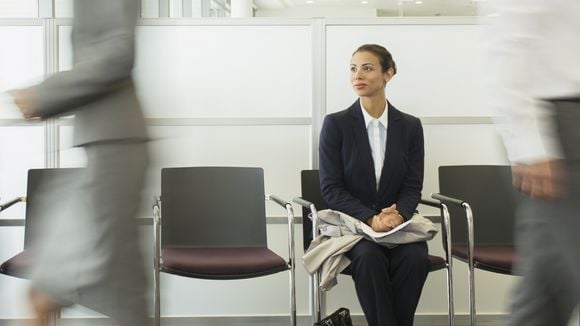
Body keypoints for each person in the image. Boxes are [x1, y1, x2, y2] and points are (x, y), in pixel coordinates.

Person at [7, 0, 149, 325]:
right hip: (107, 141)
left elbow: (118, 53)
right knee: (124, 288)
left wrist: (45, 95)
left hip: (116, 141)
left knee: (47, 290)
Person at [319, 44, 429, 326]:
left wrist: (398, 215)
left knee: (415, 258)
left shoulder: (410, 127)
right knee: (369, 259)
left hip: (397, 226)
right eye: (353, 68)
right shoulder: (336, 124)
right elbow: (331, 188)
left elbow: (412, 185)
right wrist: (370, 218)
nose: (358, 75)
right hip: (354, 226)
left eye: (367, 68)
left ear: (388, 74)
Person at [486, 1, 580, 325]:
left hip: (565, 124)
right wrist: (529, 142)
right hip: (560, 128)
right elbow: (507, 38)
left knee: (543, 298)